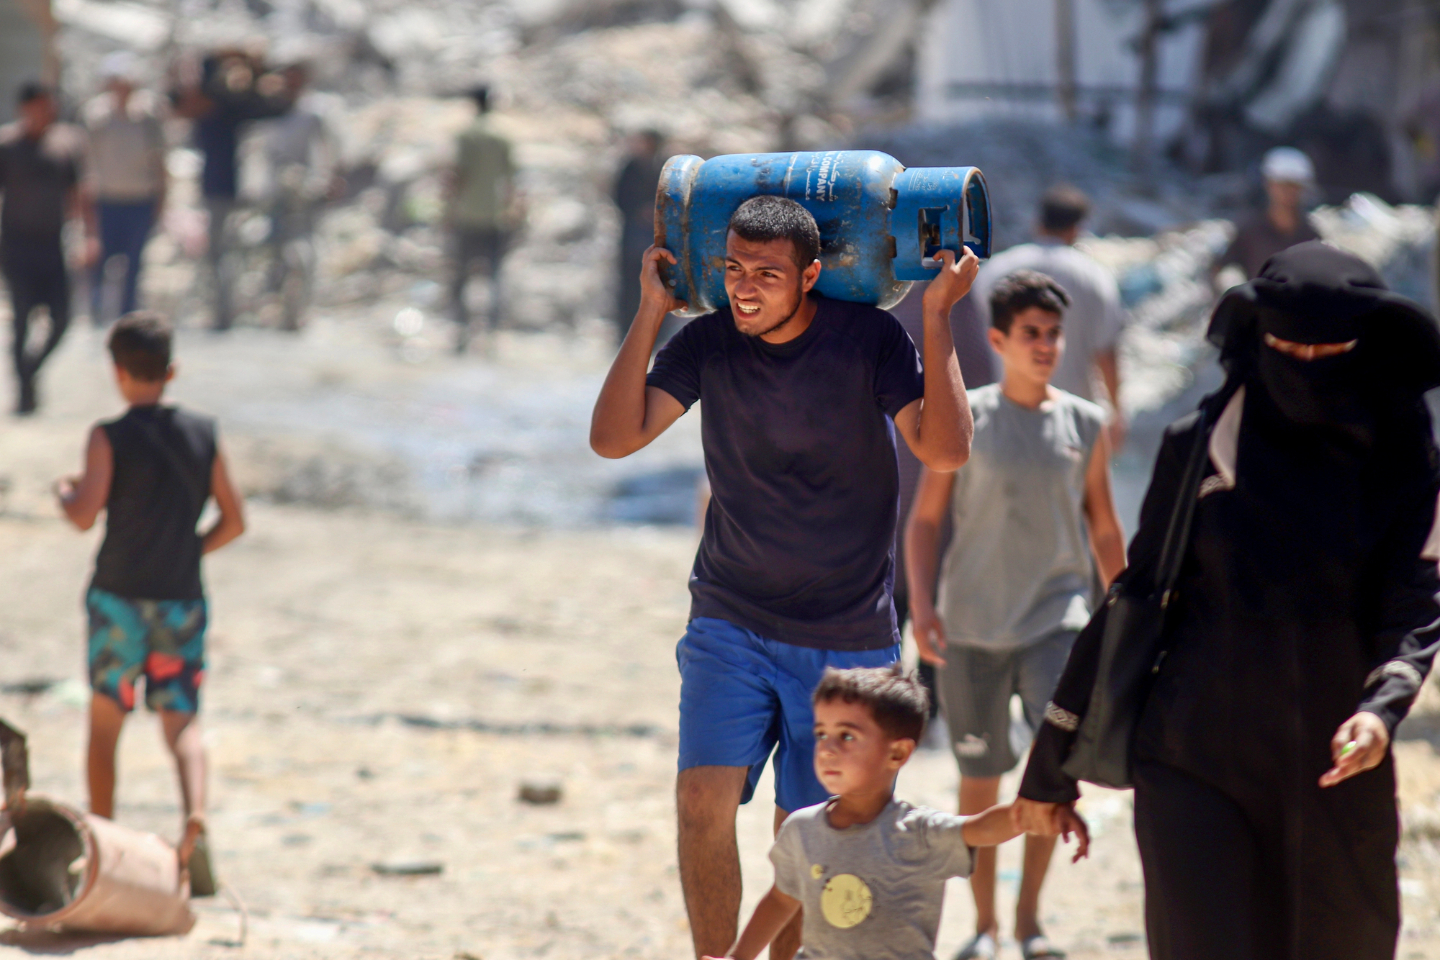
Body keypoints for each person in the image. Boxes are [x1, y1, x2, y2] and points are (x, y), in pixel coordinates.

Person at [1015, 241, 1440, 960]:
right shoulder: (1202, 448)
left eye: (1329, 350)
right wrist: (1051, 763)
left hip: (1337, 767)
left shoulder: (1405, 458)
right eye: (1287, 350)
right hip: (1190, 759)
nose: (1305, 369)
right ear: (1258, 341)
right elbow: (1136, 594)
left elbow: (1415, 601)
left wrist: (1381, 709)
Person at [590, 195, 976, 960]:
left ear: (810, 277)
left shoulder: (868, 340)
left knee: (803, 833)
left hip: (846, 637)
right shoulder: (706, 345)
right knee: (701, 800)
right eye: (733, 268)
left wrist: (937, 318)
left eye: (767, 273)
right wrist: (650, 314)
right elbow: (612, 438)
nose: (744, 287)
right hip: (729, 613)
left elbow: (946, 450)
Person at [905, 270, 1125, 960]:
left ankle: (1030, 924)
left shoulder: (1085, 425)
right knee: (980, 779)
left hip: (1056, 620)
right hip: (969, 625)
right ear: (998, 340)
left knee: (1049, 771)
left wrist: (1126, 614)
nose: (1046, 346)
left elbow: (1105, 532)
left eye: (1055, 334)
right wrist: (921, 606)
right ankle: (984, 926)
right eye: (1031, 334)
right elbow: (924, 523)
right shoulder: (964, 417)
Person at [54, 311, 246, 896]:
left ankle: (105, 843)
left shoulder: (108, 435)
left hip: (118, 598)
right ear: (173, 370)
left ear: (117, 373)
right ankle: (196, 819)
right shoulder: (203, 433)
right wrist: (190, 553)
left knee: (107, 722)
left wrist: (64, 493)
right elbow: (234, 521)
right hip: (181, 601)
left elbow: (86, 514)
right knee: (182, 720)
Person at [704, 667, 1086, 960]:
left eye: (847, 736)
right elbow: (782, 899)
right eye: (822, 733)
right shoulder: (801, 829)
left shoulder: (917, 832)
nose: (828, 748)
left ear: (898, 754)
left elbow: (980, 828)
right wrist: (739, 956)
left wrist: (1036, 812)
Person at [969, 185, 1127, 447]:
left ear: (1038, 222)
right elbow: (1106, 353)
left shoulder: (995, 270)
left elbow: (975, 345)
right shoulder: (1094, 277)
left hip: (1003, 418)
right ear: (1077, 228)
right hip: (1075, 424)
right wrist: (1117, 412)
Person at [174, 48, 292, 330]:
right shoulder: (213, 108)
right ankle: (222, 312)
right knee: (220, 256)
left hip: (233, 192)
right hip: (220, 191)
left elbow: (273, 105)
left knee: (227, 256)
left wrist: (253, 65)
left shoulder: (231, 108)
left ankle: (226, 313)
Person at [0, 81, 94, 415]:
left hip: (52, 245)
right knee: (22, 318)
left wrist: (88, 236)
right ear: (25, 108)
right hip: (16, 245)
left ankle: (29, 372)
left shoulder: (64, 146)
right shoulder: (8, 146)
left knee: (63, 318)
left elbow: (79, 193)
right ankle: (24, 391)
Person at [84, 53, 168, 324]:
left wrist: (161, 202)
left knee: (133, 264)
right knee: (101, 260)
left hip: (139, 200)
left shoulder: (147, 117)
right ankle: (96, 312)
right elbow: (86, 161)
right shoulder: (97, 116)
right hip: (106, 199)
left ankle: (127, 317)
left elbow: (159, 162)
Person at [256, 59, 340, 331]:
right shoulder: (271, 108)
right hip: (275, 191)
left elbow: (328, 149)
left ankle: (300, 310)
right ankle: (275, 308)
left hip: (305, 192)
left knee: (303, 252)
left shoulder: (314, 112)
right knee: (275, 252)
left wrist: (327, 180)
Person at [448, 85, 516, 353]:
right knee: (495, 275)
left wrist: (450, 210)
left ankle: (462, 331)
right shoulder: (502, 136)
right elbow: (510, 179)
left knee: (462, 275)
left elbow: (458, 176)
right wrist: (511, 210)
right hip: (495, 215)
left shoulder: (467, 136)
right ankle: (492, 333)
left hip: (467, 214)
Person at [1214, 147, 1320, 281]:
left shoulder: (1310, 236)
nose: (1287, 192)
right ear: (1269, 184)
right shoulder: (1250, 230)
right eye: (1282, 185)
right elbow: (1219, 268)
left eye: (1294, 186)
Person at [612, 129, 666, 346]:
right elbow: (620, 197)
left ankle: (657, 336)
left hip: (656, 234)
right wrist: (638, 211)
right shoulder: (631, 167)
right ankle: (626, 333)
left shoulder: (664, 167)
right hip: (633, 234)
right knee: (630, 285)